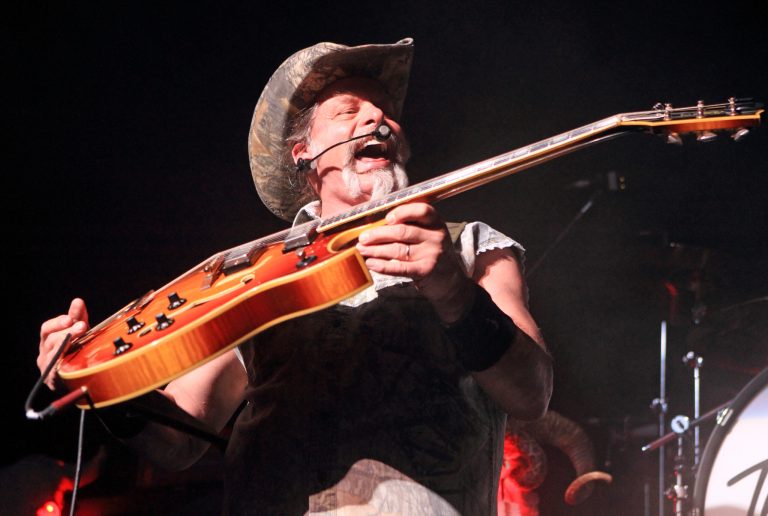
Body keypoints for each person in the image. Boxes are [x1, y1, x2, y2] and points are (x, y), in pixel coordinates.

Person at [37, 37, 553, 515]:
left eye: (387, 112)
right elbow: (180, 437)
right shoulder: (256, 271)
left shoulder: (469, 246)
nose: (378, 119)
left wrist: (453, 292)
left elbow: (531, 393)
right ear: (302, 152)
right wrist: (99, 382)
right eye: (349, 111)